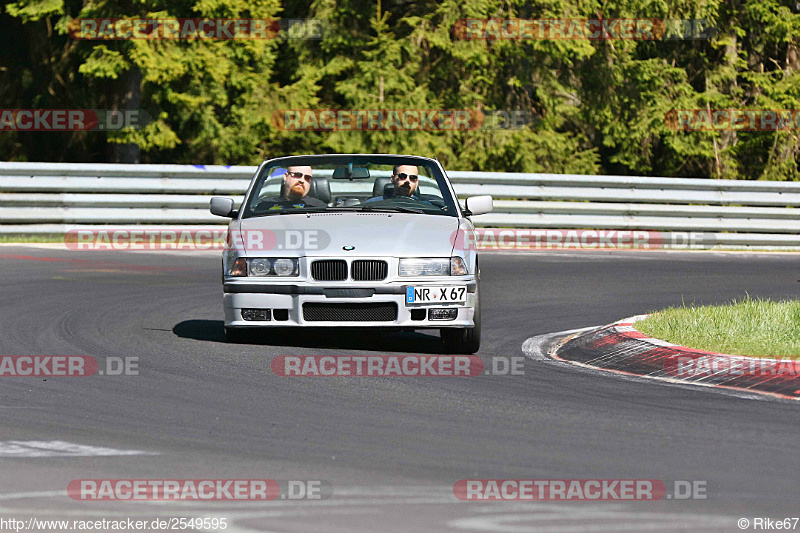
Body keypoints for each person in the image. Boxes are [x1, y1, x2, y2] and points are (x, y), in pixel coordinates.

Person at [255, 165, 326, 210]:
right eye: (297, 175)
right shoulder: (266, 205)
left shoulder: (319, 208)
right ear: (285, 176)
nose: (302, 180)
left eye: (307, 178)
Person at [366, 164, 433, 204]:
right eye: (402, 176)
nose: (407, 181)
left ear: (417, 183)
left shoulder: (427, 208)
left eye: (413, 178)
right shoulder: (372, 204)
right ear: (393, 179)